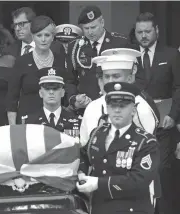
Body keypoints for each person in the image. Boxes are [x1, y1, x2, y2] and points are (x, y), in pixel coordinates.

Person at [77, 82, 160, 214]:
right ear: (107, 108)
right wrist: (81, 172)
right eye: (112, 105)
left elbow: (139, 181)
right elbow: (82, 155)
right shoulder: (97, 133)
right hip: (99, 208)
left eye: (122, 106)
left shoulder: (145, 141)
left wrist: (98, 183)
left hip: (131, 210)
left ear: (133, 110)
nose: (117, 110)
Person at [134, 12, 180, 214]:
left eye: (147, 31)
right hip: (135, 126)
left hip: (164, 125)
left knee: (161, 172)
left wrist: (174, 114)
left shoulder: (171, 54)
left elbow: (178, 87)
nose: (143, 36)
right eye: (139, 32)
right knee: (136, 172)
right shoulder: (129, 55)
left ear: (157, 31)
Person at [80, 48, 160, 147]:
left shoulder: (141, 107)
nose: (110, 81)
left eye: (116, 76)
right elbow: (84, 143)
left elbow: (146, 146)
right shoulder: (92, 107)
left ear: (130, 78)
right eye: (106, 76)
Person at [6, 15, 76, 125]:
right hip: (27, 121)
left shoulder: (60, 60)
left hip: (55, 121)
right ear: (33, 37)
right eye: (39, 35)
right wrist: (13, 127)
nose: (43, 39)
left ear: (53, 37)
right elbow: (12, 98)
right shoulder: (21, 61)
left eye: (47, 35)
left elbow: (67, 87)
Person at [67, 5, 128, 114]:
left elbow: (133, 75)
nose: (90, 32)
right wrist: (75, 99)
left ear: (102, 23)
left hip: (115, 107)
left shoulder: (120, 43)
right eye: (86, 28)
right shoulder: (75, 47)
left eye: (93, 27)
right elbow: (69, 80)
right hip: (86, 109)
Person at [22, 67, 81, 135]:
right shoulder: (29, 122)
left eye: (55, 89)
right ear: (40, 93)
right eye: (47, 89)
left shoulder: (76, 121)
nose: (51, 92)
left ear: (63, 92)